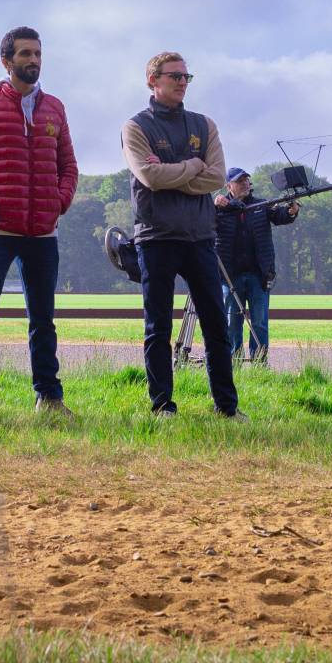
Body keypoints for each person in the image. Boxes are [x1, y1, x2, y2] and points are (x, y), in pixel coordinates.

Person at [0, 26, 78, 416]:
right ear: (6, 61)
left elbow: (69, 167)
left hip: (43, 231)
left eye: (37, 53)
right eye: (25, 54)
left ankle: (49, 397)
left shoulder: (55, 107)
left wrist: (59, 202)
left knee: (44, 319)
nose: (33, 60)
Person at [121, 52, 244, 418]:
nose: (182, 82)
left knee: (216, 324)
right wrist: (193, 166)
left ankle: (227, 406)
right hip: (155, 237)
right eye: (174, 76)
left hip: (199, 236)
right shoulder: (136, 127)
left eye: (186, 76)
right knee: (157, 325)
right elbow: (149, 177)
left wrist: (174, 173)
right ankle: (162, 406)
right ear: (152, 81)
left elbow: (217, 176)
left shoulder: (204, 125)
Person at [214, 167, 299, 362]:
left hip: (259, 275)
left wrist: (292, 211)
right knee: (232, 322)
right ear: (229, 186)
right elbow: (204, 221)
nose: (245, 184)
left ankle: (259, 363)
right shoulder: (220, 207)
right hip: (229, 276)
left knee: (259, 322)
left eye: (246, 180)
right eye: (239, 181)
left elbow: (281, 216)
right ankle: (233, 363)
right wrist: (215, 205)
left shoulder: (261, 205)